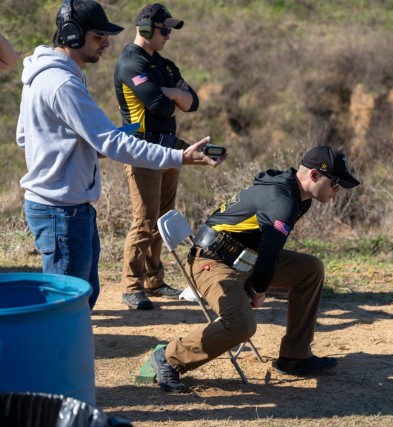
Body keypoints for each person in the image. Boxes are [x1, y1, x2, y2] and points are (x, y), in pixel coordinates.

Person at [16, 0, 223, 310]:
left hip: (68, 205)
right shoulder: (63, 82)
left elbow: (25, 136)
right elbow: (128, 130)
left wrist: (80, 149)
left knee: (82, 297)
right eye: (99, 37)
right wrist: (180, 156)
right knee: (65, 308)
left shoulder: (50, 75)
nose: (107, 44)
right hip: (61, 207)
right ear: (72, 35)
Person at [150, 145, 360, 392]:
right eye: (335, 183)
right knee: (242, 324)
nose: (338, 191)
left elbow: (266, 251)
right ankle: (171, 357)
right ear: (314, 175)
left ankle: (295, 357)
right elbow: (269, 254)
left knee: (310, 270)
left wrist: (255, 281)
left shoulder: (297, 197)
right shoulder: (283, 202)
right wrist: (258, 289)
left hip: (242, 259)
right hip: (211, 263)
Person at [114, 3, 201, 310]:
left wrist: (174, 94)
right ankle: (131, 285)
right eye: (165, 30)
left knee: (163, 219)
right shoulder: (130, 64)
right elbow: (159, 107)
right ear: (148, 29)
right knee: (145, 221)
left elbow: (193, 102)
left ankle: (153, 279)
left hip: (168, 149)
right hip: (142, 150)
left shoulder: (163, 65)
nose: (168, 36)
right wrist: (174, 95)